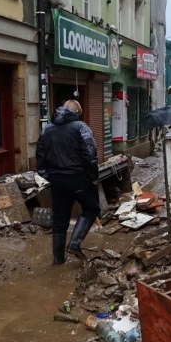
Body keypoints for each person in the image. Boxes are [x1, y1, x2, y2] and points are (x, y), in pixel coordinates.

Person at [35, 100, 100, 265]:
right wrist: (93, 176)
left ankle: (58, 261)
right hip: (77, 178)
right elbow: (90, 153)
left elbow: (40, 156)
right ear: (77, 112)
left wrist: (49, 177)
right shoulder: (80, 127)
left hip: (57, 181)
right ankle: (75, 243)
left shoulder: (46, 129)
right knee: (92, 208)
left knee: (60, 219)